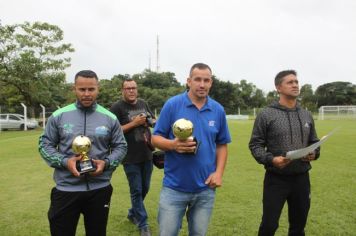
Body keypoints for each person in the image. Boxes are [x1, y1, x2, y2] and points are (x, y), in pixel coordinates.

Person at [39, 70, 127, 236]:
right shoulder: (59, 116)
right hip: (66, 189)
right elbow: (45, 145)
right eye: (82, 89)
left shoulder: (109, 118)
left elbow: (121, 147)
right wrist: (66, 162)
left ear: (98, 89)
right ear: (74, 89)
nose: (87, 94)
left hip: (99, 189)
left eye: (91, 89)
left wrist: (106, 163)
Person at [152, 63, 231, 235]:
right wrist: (173, 145)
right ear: (189, 81)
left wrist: (218, 173)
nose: (202, 84)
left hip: (205, 189)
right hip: (174, 187)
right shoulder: (172, 105)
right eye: (197, 79)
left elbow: (222, 144)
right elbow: (155, 138)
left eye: (206, 80)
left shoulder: (217, 109)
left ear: (211, 83)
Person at [249, 70, 320, 236]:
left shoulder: (306, 114)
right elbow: (255, 144)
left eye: (296, 81)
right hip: (276, 179)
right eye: (290, 82)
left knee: (298, 226)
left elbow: (314, 141)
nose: (295, 85)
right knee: (269, 225)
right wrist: (271, 159)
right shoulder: (266, 114)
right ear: (278, 87)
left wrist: (314, 153)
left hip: (302, 178)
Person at [110, 78, 155, 236]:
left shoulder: (143, 103)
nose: (131, 91)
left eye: (133, 88)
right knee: (136, 190)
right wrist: (134, 123)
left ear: (137, 89)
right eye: (127, 88)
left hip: (147, 153)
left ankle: (132, 212)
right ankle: (143, 224)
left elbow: (152, 120)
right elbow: (113, 131)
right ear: (122, 90)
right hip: (129, 156)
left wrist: (150, 121)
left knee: (145, 188)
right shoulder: (117, 107)